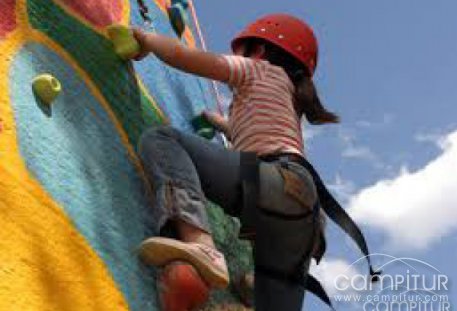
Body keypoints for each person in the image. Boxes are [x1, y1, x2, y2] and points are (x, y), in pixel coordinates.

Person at [133, 14, 339, 310]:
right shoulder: (287, 97)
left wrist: (148, 40)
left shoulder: (259, 69)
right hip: (308, 217)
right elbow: (254, 135)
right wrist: (221, 123)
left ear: (259, 51)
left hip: (276, 182)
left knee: (163, 139)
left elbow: (186, 57)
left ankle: (201, 246)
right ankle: (253, 287)